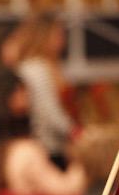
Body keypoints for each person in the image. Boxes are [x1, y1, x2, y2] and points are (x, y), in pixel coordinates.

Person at [14, 13, 77, 169]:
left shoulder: (51, 66)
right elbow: (49, 110)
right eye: (58, 34)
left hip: (58, 145)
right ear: (43, 35)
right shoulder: (35, 68)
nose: (63, 40)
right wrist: (75, 132)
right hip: (47, 147)